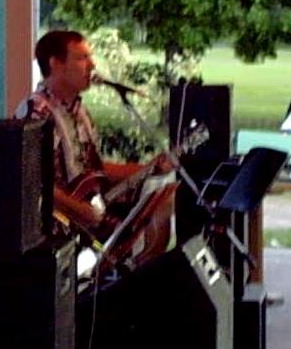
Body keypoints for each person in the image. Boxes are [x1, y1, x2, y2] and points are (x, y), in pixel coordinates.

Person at [16, 29, 174, 254]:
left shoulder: (81, 113)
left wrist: (149, 169)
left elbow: (95, 170)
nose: (92, 65)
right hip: (56, 228)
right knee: (129, 243)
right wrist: (78, 210)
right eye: (82, 58)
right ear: (55, 64)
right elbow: (29, 182)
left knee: (159, 204)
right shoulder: (37, 113)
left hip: (87, 215)